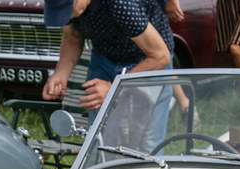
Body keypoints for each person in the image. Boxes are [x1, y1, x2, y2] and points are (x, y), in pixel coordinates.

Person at [42, 0, 174, 115]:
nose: (68, 16)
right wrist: (60, 74)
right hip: (105, 54)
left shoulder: (120, 4)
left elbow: (161, 56)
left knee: (146, 138)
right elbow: (73, 38)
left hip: (147, 58)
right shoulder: (71, 7)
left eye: (70, 9)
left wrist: (113, 89)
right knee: (100, 133)